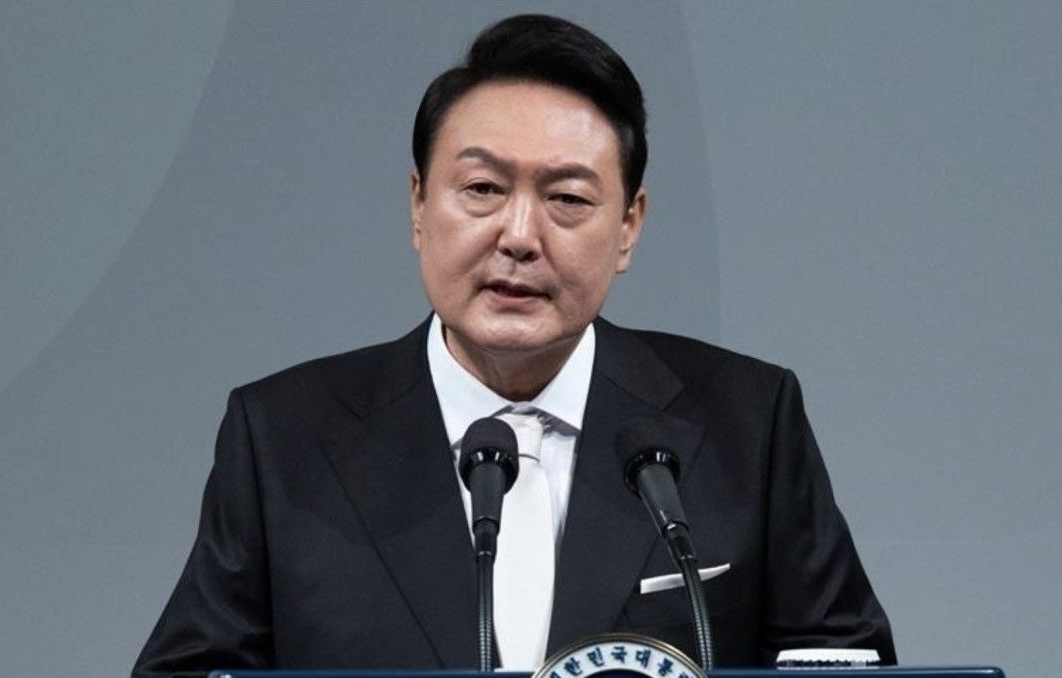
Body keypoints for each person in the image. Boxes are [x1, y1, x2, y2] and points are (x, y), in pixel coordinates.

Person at [133, 14, 895, 676]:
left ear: (628, 227)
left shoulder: (748, 423)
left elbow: (848, 660)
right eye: (483, 190)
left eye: (567, 199)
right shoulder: (283, 438)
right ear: (418, 205)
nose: (520, 236)